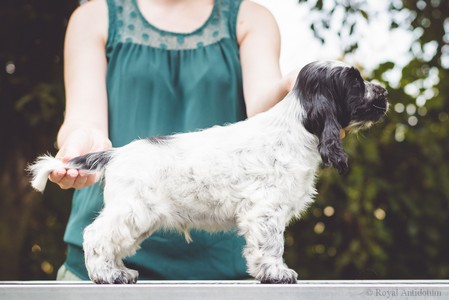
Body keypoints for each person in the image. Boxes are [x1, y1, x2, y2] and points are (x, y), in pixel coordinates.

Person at [51, 0, 297, 281]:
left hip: (228, 270)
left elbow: (263, 114)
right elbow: (84, 118)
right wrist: (81, 141)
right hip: (98, 278)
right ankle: (104, 252)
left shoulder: (251, 19)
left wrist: (298, 94)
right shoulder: (93, 17)